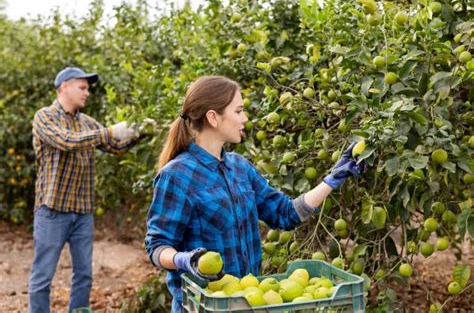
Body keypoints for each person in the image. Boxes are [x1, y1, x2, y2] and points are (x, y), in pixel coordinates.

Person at [145, 75, 365, 312]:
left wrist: (332, 179)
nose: (245, 118)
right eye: (238, 111)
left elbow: (285, 213)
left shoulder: (240, 167)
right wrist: (186, 260)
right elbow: (157, 246)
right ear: (213, 117)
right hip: (203, 306)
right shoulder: (177, 176)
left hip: (247, 302)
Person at [29, 67, 140, 313]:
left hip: (82, 212)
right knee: (42, 277)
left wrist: (137, 131)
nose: (87, 93)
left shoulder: (87, 123)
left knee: (84, 275)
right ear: (65, 86)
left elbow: (115, 146)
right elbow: (66, 141)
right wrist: (109, 131)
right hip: (52, 211)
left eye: (87, 88)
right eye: (83, 87)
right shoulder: (44, 117)